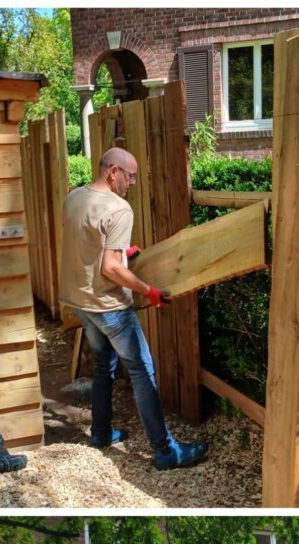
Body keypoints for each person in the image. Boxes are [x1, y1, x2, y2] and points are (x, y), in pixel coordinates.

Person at [59, 146, 207, 470]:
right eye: (131, 175)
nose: (134, 182)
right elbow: (110, 269)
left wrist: (122, 251)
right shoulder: (119, 209)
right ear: (113, 171)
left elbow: (88, 243)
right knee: (142, 371)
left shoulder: (74, 198)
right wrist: (148, 290)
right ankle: (165, 450)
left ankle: (100, 434)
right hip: (109, 306)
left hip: (80, 303)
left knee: (103, 365)